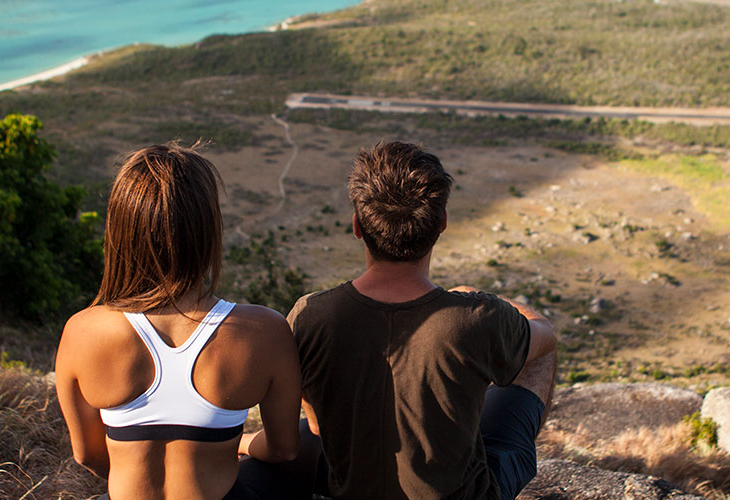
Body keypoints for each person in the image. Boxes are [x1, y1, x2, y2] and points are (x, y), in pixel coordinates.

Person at [288, 141, 559, 500]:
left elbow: (313, 420)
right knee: (538, 354)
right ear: (442, 223)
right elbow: (546, 336)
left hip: (351, 486)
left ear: (357, 225)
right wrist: (477, 298)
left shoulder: (310, 315)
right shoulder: (475, 319)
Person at [56, 144, 315, 500]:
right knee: (313, 445)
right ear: (207, 231)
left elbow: (88, 455)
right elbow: (284, 450)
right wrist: (241, 443)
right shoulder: (262, 331)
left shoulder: (83, 332)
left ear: (120, 231)